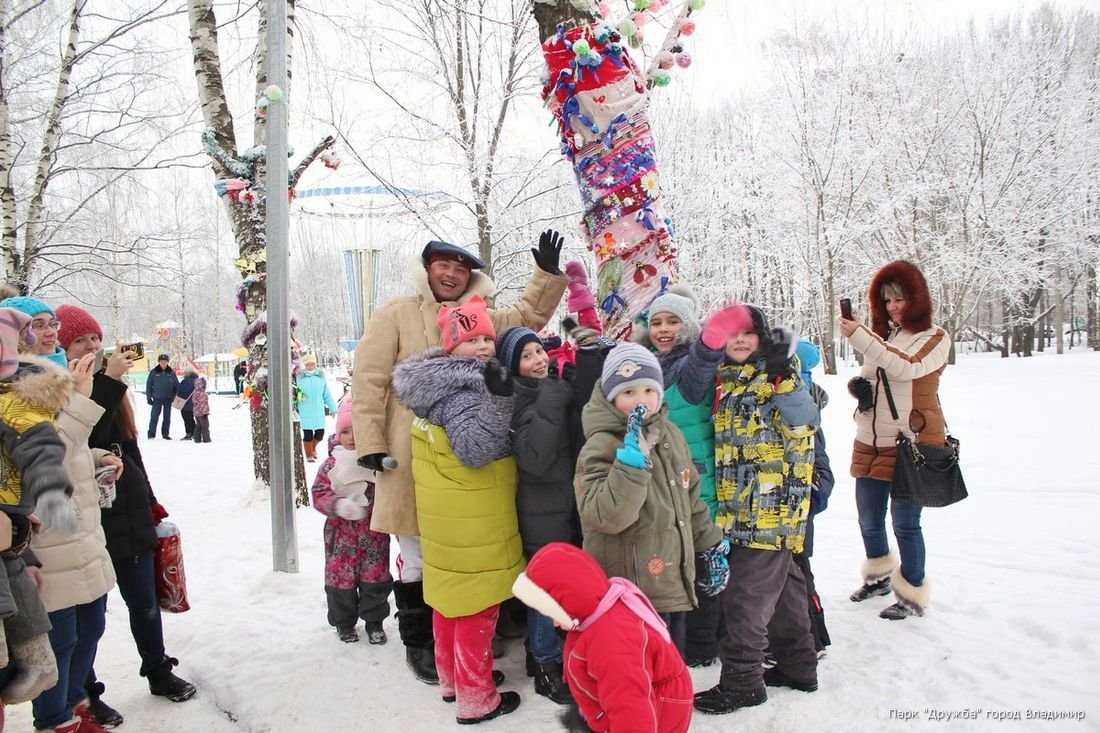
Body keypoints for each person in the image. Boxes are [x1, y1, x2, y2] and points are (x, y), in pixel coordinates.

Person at [351, 234, 567, 684]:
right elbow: (369, 380)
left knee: (470, 548)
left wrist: (546, 276)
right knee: (416, 554)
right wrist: (370, 440)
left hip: (477, 452)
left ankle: (474, 632)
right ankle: (421, 642)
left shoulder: (480, 311)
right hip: (412, 453)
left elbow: (529, 316)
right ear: (426, 269)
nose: (450, 273)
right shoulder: (396, 313)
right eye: (442, 265)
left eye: (459, 267)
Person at [55, 305, 197, 706]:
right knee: (87, 615)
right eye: (79, 340)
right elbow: (80, 437)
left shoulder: (107, 386)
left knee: (144, 600)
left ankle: (158, 670)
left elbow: (129, 448)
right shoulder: (58, 387)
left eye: (94, 338)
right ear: (62, 348)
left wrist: (150, 502)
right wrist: (111, 380)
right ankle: (86, 691)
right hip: (85, 513)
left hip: (127, 504)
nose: (91, 346)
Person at [391, 296, 524, 725]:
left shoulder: (437, 385)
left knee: (451, 604)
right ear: (451, 347)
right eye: (472, 340)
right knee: (476, 609)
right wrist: (501, 401)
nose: (484, 347)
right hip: (473, 520)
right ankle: (477, 697)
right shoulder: (467, 390)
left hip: (451, 521)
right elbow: (475, 449)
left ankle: (453, 680)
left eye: (488, 337)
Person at [693, 306, 821, 716]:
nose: (742, 341)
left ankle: (743, 681)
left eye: (749, 333)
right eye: (733, 335)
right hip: (741, 505)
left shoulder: (781, 373)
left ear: (762, 337)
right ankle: (799, 666)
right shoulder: (726, 379)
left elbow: (804, 422)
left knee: (744, 597)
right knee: (784, 590)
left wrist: (783, 376)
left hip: (770, 506)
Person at [574, 342, 727, 658]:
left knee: (669, 662)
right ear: (611, 396)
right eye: (628, 393)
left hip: (671, 581)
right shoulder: (601, 444)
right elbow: (603, 516)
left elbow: (691, 499)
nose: (640, 400)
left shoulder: (670, 434)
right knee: (636, 669)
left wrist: (710, 545)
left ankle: (667, 706)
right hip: (630, 589)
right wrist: (630, 465)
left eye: (648, 390)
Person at [839, 260, 949, 620]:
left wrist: (860, 335)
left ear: (917, 298)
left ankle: (912, 593)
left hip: (909, 441)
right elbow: (883, 373)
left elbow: (907, 367)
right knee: (868, 518)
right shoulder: (886, 337)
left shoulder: (934, 337)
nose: (893, 307)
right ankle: (879, 578)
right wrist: (862, 389)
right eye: (886, 301)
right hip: (870, 438)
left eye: (899, 299)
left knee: (904, 522)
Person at [632, 287, 731, 668]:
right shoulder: (650, 364)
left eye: (673, 321)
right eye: (657, 322)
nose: (664, 328)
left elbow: (703, 363)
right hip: (666, 480)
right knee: (677, 562)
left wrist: (710, 339)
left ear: (689, 327)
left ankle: (703, 648)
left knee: (703, 562)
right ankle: (687, 640)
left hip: (696, 480)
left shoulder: (690, 365)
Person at [512, 543, 695, 733]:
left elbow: (630, 710)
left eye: (552, 613)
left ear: (570, 598)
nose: (553, 623)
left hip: (656, 710)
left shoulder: (612, 643)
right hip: (628, 699)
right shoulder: (596, 610)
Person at [497, 326, 578, 705]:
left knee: (560, 587)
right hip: (539, 511)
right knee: (545, 589)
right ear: (514, 366)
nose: (538, 360)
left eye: (539, 352)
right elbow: (536, 460)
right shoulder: (518, 399)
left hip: (563, 506)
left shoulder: (547, 389)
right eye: (526, 356)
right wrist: (553, 397)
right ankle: (545, 664)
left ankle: (544, 654)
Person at [310, 399, 391, 644]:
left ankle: (374, 622)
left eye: (357, 431)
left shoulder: (376, 462)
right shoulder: (331, 464)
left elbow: (389, 491)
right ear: (337, 433)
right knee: (340, 583)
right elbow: (319, 493)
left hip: (373, 535)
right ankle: (344, 623)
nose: (352, 437)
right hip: (340, 537)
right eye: (345, 431)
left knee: (375, 579)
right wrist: (338, 505)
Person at [791, 339, 834, 656]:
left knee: (796, 569)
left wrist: (812, 485)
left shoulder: (800, 399)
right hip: (806, 487)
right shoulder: (807, 392)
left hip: (802, 489)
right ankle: (813, 635)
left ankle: (812, 637)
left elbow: (814, 454)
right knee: (798, 566)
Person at [0, 294, 69, 368]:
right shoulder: (8, 376)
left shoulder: (73, 369)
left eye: (53, 324)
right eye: (39, 325)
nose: (51, 332)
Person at [297, 354, 336, 463]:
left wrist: (333, 408)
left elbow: (326, 394)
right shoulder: (299, 378)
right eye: (308, 364)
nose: (310, 366)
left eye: (312, 364)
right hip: (305, 410)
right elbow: (295, 393)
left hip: (318, 410)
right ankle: (309, 455)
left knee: (320, 433)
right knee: (308, 434)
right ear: (305, 365)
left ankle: (313, 448)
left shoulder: (320, 378)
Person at [145, 354, 178, 440]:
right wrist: (149, 397)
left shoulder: (171, 372)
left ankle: (165, 434)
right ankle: (151, 434)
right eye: (161, 361)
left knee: (167, 417)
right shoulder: (154, 372)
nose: (163, 363)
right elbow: (148, 385)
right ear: (159, 362)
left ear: (167, 362)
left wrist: (174, 397)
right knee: (154, 417)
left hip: (168, 399)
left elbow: (176, 386)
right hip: (157, 399)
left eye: (165, 362)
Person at [175, 369, 197, 440]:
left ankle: (189, 434)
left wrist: (177, 387)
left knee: (187, 419)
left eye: (185, 372)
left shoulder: (187, 381)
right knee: (191, 419)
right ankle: (194, 433)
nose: (184, 373)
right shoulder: (197, 380)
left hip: (186, 404)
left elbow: (183, 391)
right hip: (194, 403)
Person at [190, 374, 211, 443]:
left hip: (196, 413)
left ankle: (197, 439)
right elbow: (202, 404)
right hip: (202, 413)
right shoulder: (202, 393)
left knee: (198, 426)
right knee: (205, 426)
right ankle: (206, 439)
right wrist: (205, 413)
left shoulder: (195, 392)